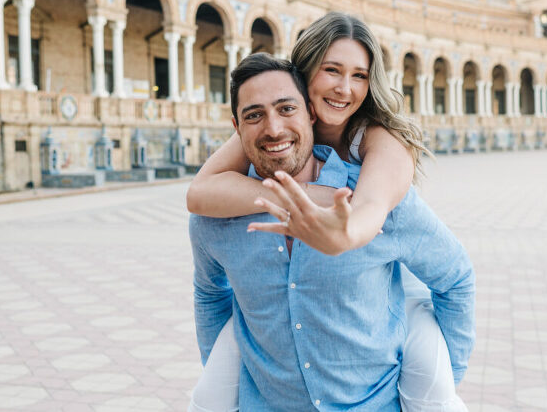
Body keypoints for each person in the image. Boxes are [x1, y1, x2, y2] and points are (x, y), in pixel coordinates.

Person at [190, 53, 475, 411]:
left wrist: (444, 381)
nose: (274, 129)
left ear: (311, 112)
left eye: (286, 108)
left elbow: (456, 279)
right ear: (236, 126)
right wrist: (221, 378)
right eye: (254, 115)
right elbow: (209, 294)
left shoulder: (375, 198)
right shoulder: (215, 216)